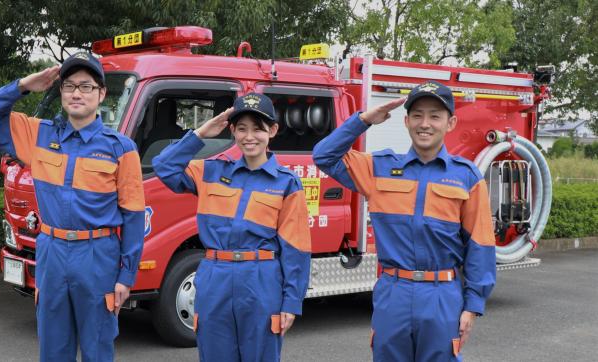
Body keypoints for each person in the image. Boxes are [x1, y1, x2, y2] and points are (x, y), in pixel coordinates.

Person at [0, 52, 145, 362]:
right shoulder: (39, 134)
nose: (77, 93)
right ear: (61, 91)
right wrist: (24, 85)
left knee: (97, 348)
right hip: (52, 252)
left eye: (86, 86)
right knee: (53, 349)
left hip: (98, 256)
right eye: (69, 86)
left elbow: (133, 215)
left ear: (102, 94)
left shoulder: (121, 148)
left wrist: (126, 276)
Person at [313, 81, 496, 362]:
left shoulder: (466, 177)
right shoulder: (380, 167)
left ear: (450, 123)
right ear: (406, 121)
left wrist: (472, 305)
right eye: (418, 115)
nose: (425, 124)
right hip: (393, 293)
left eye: (435, 116)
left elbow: (480, 245)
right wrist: (363, 121)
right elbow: (324, 155)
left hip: (442, 295)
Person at [152, 93, 311, 362]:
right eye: (241, 128)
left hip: (261, 280)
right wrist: (200, 134)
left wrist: (291, 302)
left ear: (272, 131)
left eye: (258, 129)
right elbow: (164, 166)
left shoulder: (286, 183)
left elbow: (296, 247)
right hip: (216, 277)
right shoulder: (211, 171)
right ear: (232, 131)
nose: (249, 136)